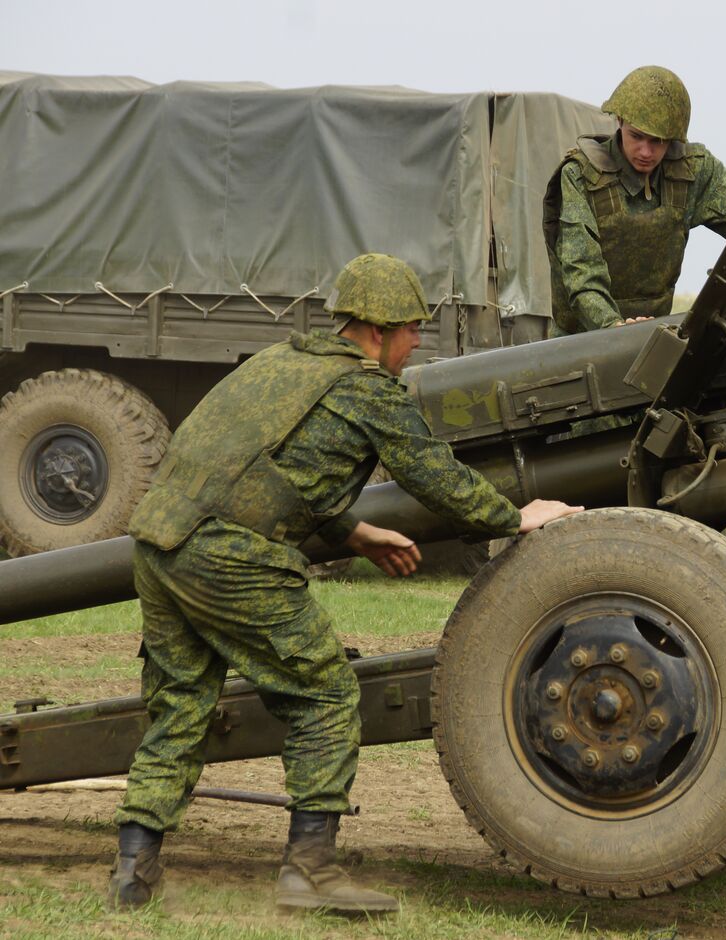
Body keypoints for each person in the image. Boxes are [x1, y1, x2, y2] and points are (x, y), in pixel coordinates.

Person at [107, 253, 582, 914]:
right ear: (379, 329)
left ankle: (133, 867)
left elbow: (267, 465)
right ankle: (310, 868)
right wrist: (515, 515)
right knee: (327, 692)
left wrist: (349, 532)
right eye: (413, 329)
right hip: (228, 554)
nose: (418, 343)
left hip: (159, 545)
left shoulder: (280, 364)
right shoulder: (364, 388)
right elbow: (433, 476)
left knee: (183, 704)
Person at [543, 65, 726, 334]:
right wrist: (614, 328)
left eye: (658, 141)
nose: (646, 152)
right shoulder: (581, 176)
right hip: (580, 345)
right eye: (637, 136)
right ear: (619, 121)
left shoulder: (692, 172)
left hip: (650, 339)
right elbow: (582, 275)